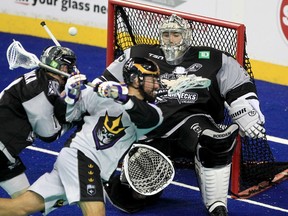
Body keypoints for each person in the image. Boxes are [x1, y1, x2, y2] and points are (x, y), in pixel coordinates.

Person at [98, 14, 266, 216]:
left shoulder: (213, 58)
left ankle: (217, 205)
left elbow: (240, 87)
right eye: (166, 34)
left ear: (187, 36)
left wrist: (245, 111)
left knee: (214, 142)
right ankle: (134, 187)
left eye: (176, 34)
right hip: (151, 124)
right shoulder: (139, 54)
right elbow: (105, 82)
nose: (170, 39)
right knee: (134, 196)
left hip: (192, 121)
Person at [0, 57, 163, 216]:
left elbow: (145, 116)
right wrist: (71, 95)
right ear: (135, 79)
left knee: (19, 208)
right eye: (151, 79)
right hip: (80, 157)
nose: (156, 84)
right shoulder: (98, 95)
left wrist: (122, 96)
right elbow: (64, 116)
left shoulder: (154, 113)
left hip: (90, 168)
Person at [0, 45, 77, 198]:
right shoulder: (39, 89)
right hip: (2, 151)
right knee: (21, 206)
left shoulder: (42, 79)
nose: (72, 71)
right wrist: (75, 118)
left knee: (22, 205)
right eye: (70, 67)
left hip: (6, 154)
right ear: (61, 67)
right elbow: (48, 134)